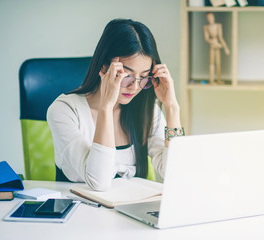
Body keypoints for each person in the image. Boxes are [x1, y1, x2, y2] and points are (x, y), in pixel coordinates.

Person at [47, 19, 183, 191]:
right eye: (127, 75)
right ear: (104, 68)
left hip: (129, 209)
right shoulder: (64, 110)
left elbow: (176, 174)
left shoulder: (148, 111)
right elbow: (99, 182)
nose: (134, 87)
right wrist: (106, 107)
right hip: (80, 211)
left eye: (144, 77)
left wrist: (172, 108)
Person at [203, 12, 230, 84]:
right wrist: (212, 41)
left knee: (218, 63)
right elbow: (207, 38)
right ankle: (211, 80)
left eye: (211, 17)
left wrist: (225, 47)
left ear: (213, 17)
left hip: (217, 45)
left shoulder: (218, 26)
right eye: (208, 18)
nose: (210, 19)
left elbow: (221, 38)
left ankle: (218, 79)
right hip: (212, 45)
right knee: (211, 63)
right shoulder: (206, 27)